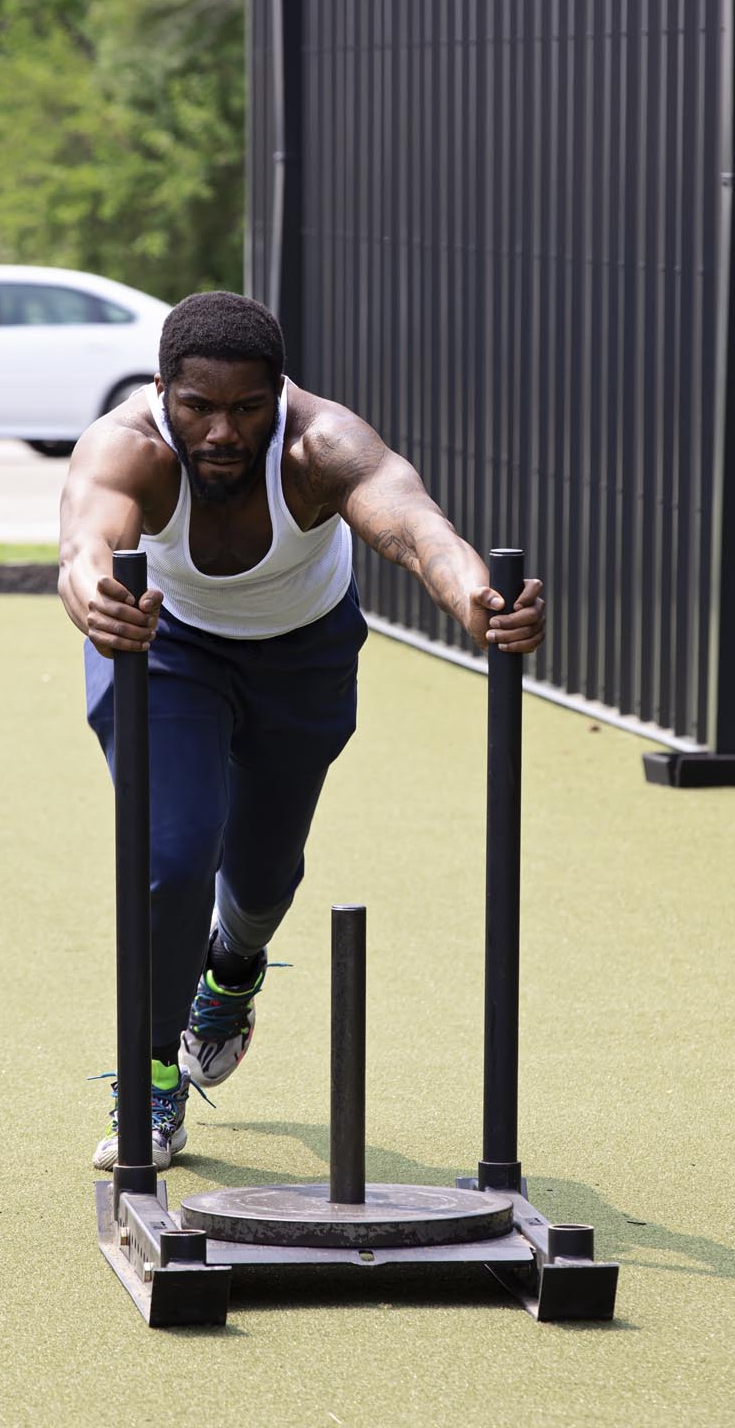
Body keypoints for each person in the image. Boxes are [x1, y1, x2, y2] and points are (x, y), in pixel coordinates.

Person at [58, 291, 545, 1171]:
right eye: (198, 407)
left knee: (259, 879)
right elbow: (84, 548)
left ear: (278, 394)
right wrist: (98, 602)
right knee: (173, 857)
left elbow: (417, 530)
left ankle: (233, 969)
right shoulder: (126, 445)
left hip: (301, 656)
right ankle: (153, 1073)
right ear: (162, 391)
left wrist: (473, 597)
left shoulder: (321, 446)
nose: (222, 432)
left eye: (247, 408)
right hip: (165, 645)